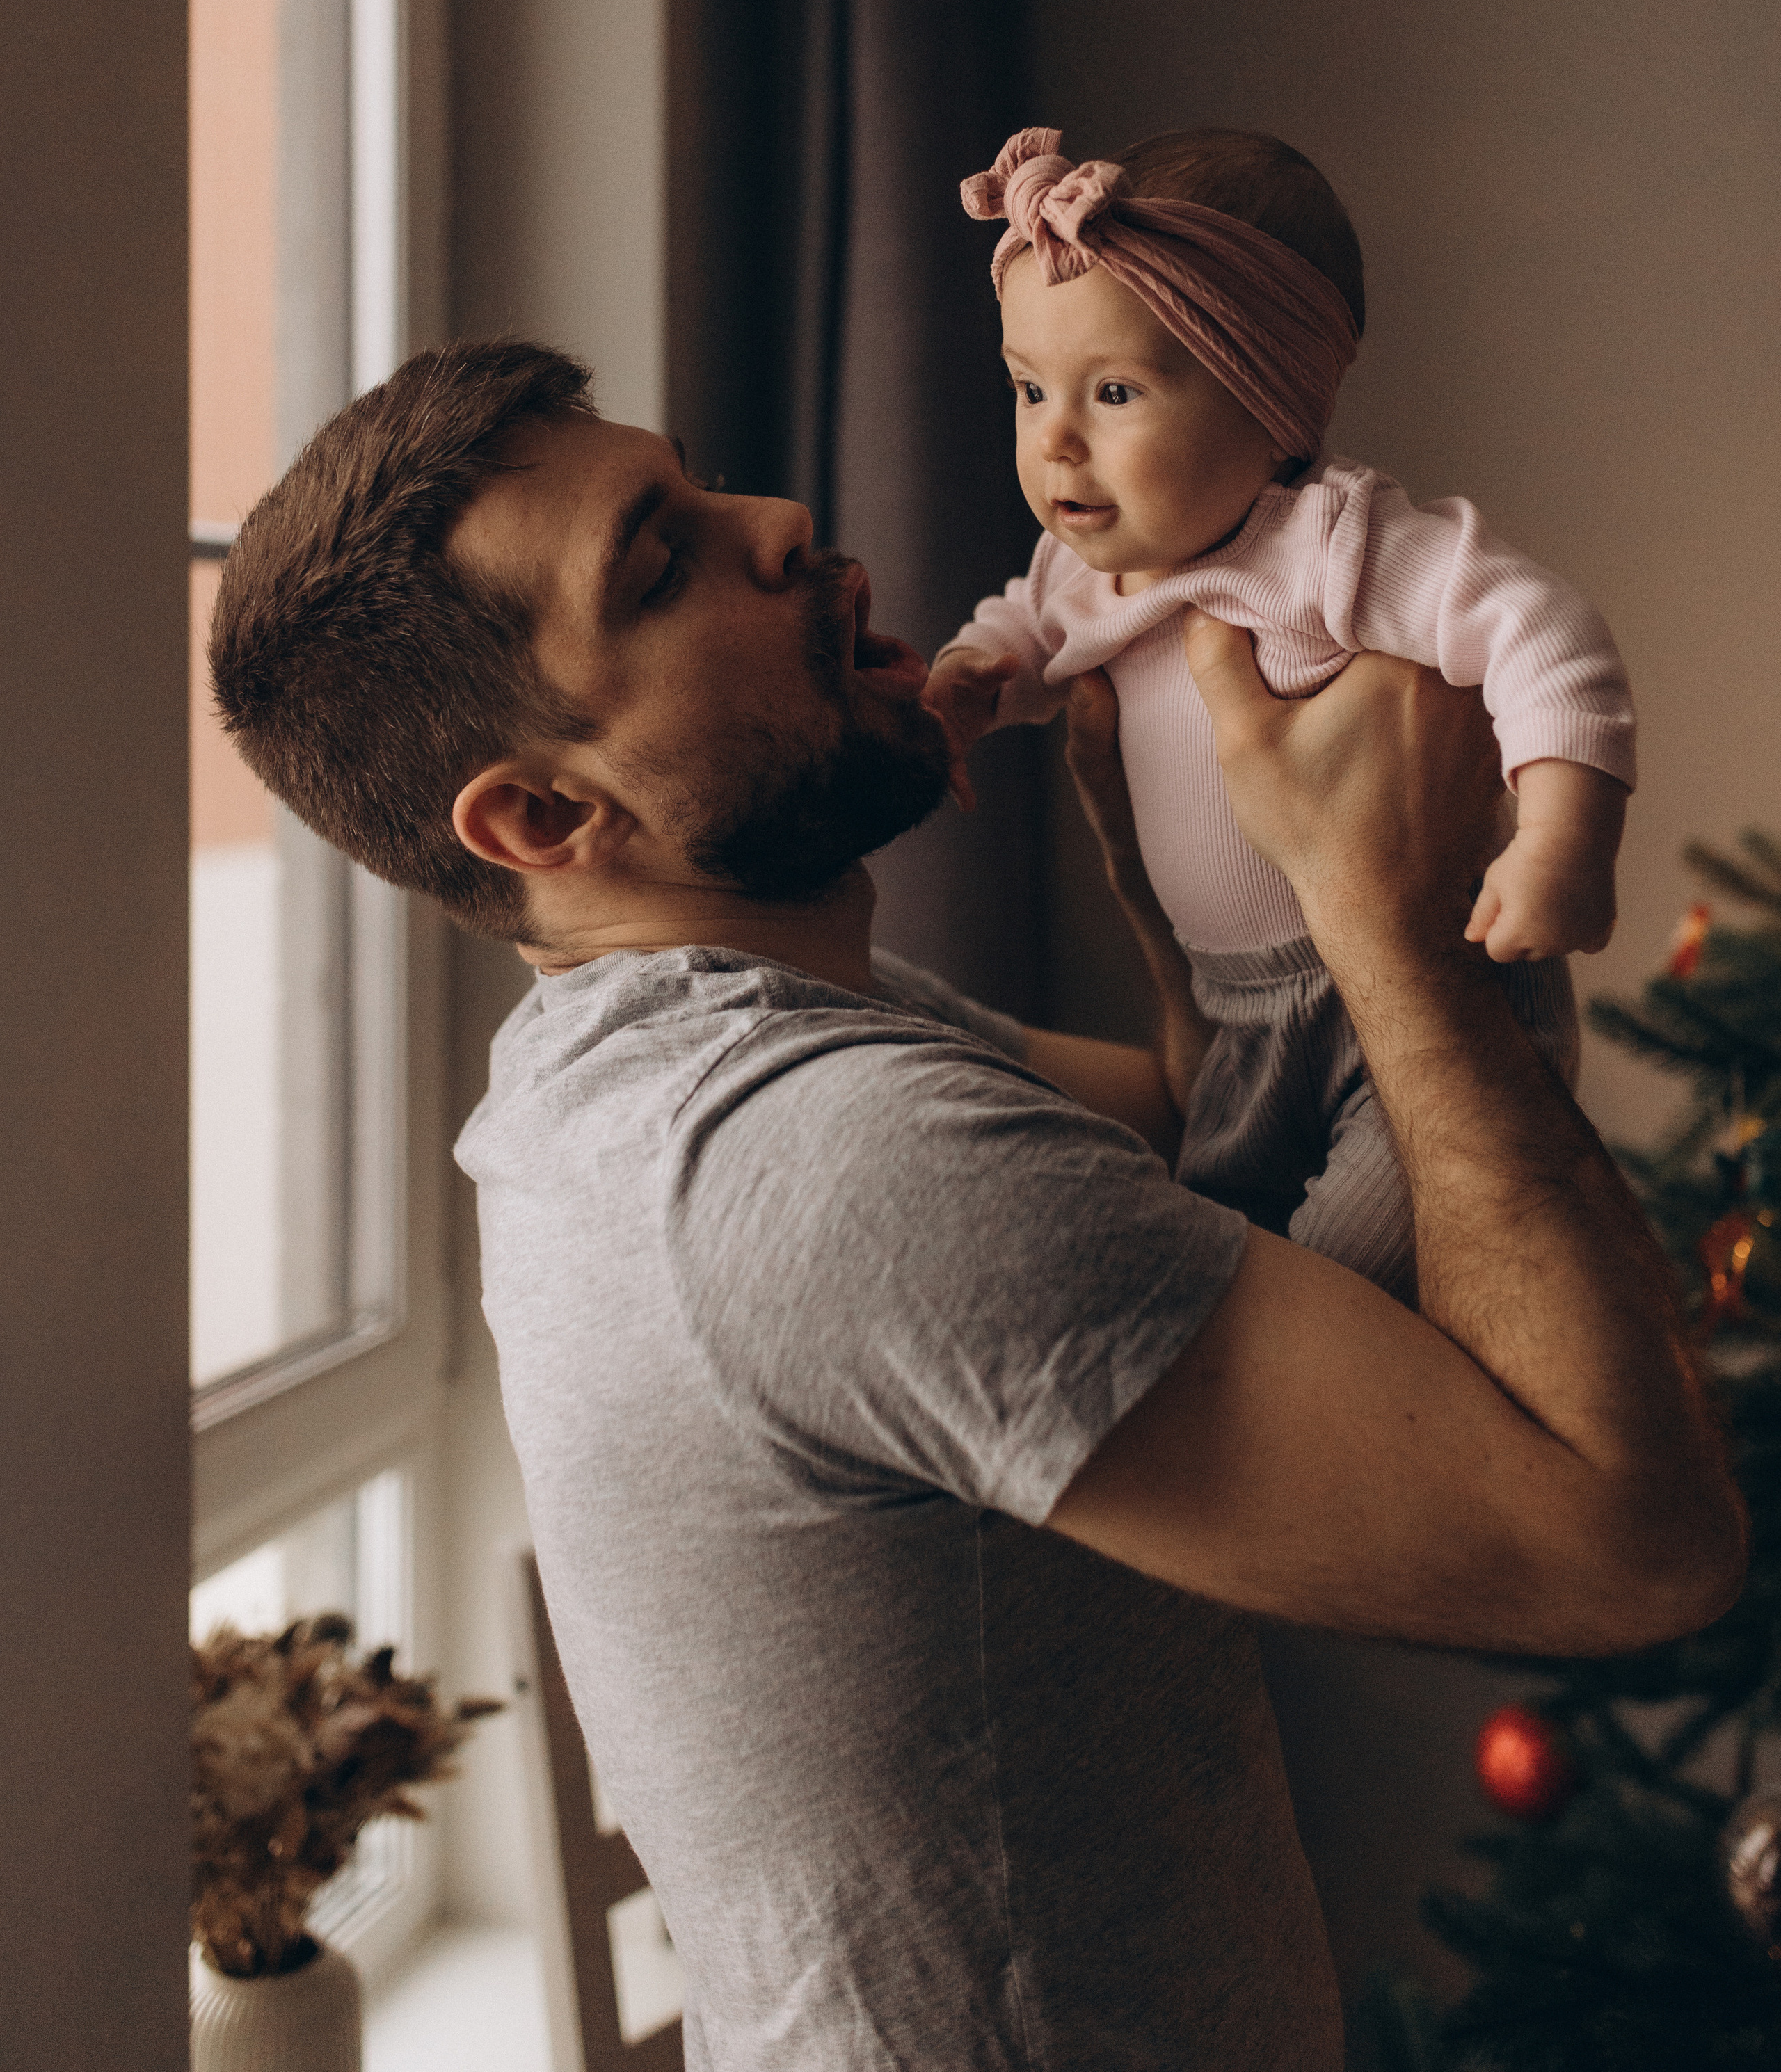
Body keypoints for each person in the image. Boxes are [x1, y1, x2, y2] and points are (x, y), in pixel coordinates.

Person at [208, 338, 1740, 2072]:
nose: (776, 519)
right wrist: (1378, 922)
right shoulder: (812, 1162)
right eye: (660, 561)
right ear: (547, 813)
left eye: (700, 481)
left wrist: (1185, 874)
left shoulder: (683, 1055)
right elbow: (1630, 1547)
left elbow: (1192, 1150)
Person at [927, 125, 1634, 1297]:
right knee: (1233, 1262)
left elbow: (1539, 629)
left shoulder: (1330, 546)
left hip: (1418, 994)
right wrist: (965, 685)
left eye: (1114, 393)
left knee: (1354, 1265)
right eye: (1027, 387)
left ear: (1270, 402)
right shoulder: (1083, 572)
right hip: (1238, 1020)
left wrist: (1565, 835)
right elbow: (1020, 636)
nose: (1054, 438)